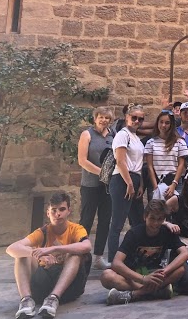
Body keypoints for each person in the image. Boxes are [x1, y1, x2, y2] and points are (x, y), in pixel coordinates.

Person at [6, 192, 91, 318]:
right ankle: (26, 300)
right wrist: (37, 254)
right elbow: (11, 248)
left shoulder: (76, 229)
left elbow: (87, 246)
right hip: (44, 283)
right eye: (54, 210)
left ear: (69, 211)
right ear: (48, 213)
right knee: (22, 255)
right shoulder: (43, 232)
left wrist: (54, 248)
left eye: (62, 209)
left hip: (70, 287)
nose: (58, 214)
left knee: (75, 254)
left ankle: (53, 298)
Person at [101, 200, 188, 305]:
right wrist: (143, 279)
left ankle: (135, 294)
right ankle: (153, 292)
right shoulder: (134, 233)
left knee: (180, 269)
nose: (155, 223)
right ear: (145, 217)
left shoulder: (167, 232)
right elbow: (116, 263)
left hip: (154, 274)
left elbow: (185, 253)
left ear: (164, 219)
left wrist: (165, 271)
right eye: (152, 218)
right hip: (133, 276)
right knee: (107, 275)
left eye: (160, 219)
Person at [107, 104, 146, 265]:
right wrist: (129, 184)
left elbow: (138, 164)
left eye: (141, 119)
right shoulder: (122, 135)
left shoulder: (135, 137)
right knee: (118, 222)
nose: (137, 121)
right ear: (126, 117)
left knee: (138, 222)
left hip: (134, 179)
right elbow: (120, 161)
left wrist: (140, 185)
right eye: (134, 117)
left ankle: (135, 257)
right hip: (122, 179)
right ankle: (113, 260)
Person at [77, 106, 115, 271]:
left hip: (108, 187)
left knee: (105, 221)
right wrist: (102, 173)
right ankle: (80, 256)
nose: (104, 120)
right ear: (95, 118)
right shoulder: (87, 134)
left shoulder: (113, 135)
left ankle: (98, 257)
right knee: (86, 220)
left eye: (107, 118)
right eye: (101, 117)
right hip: (90, 185)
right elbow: (82, 160)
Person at [145, 111, 188, 201]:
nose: (163, 125)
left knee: (174, 207)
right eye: (161, 122)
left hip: (174, 181)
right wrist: (155, 187)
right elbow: (150, 166)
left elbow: (181, 164)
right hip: (157, 180)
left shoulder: (180, 142)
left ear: (171, 124)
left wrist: (174, 184)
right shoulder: (151, 142)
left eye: (167, 123)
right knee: (156, 208)